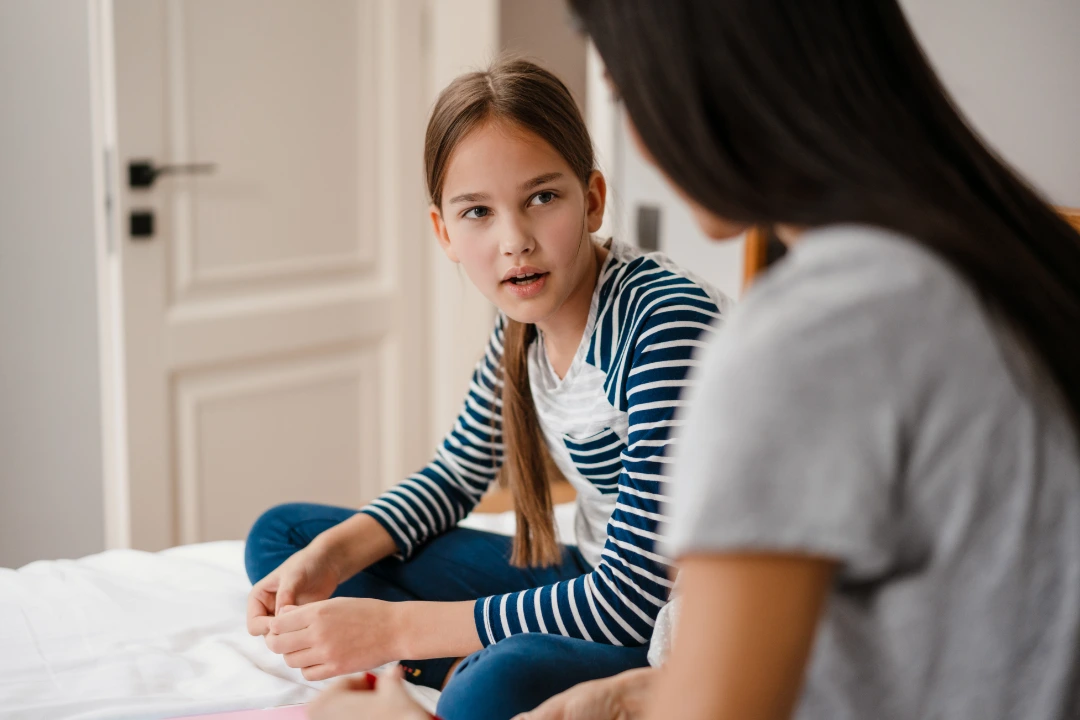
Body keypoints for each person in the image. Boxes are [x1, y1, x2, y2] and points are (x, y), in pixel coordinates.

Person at [311, 0, 1080, 718]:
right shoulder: (995, 267)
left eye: (623, 86)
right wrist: (626, 698)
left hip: (632, 612)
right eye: (476, 211)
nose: (642, 133)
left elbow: (700, 673)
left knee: (487, 686)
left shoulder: (806, 337)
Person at [243, 57, 731, 720]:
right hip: (590, 575)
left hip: (670, 623)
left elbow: (633, 601)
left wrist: (394, 631)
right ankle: (459, 654)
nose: (515, 242)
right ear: (444, 231)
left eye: (542, 198)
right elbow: (454, 476)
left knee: (489, 689)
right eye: (477, 212)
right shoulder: (521, 327)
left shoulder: (662, 323)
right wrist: (329, 556)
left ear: (592, 198)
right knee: (287, 541)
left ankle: (459, 664)